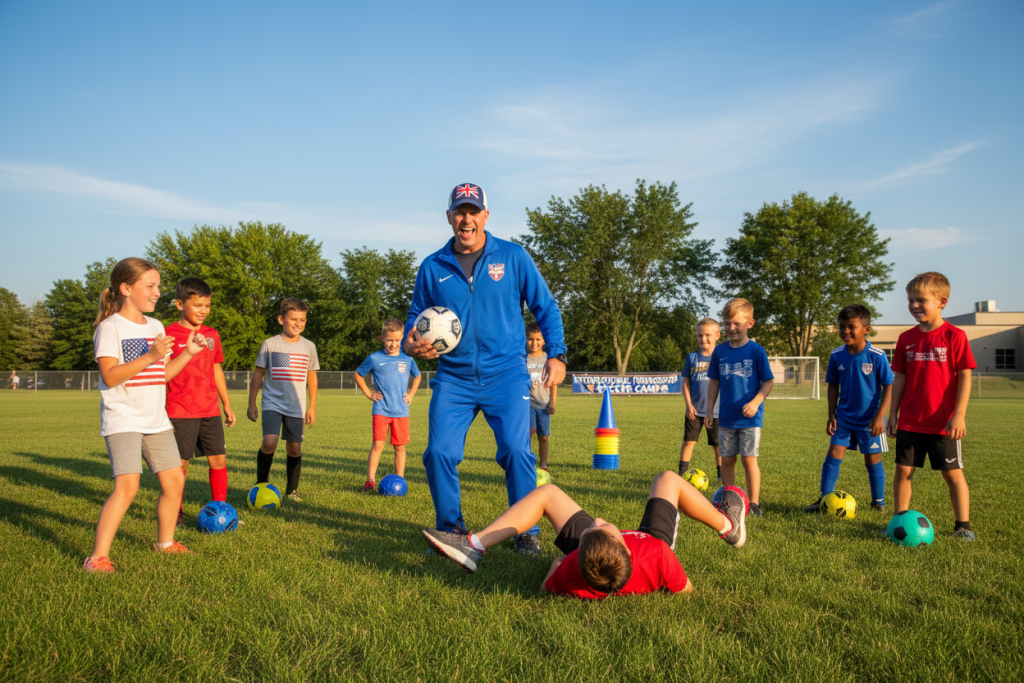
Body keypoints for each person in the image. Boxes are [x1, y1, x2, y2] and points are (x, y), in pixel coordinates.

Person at [404, 183, 567, 556]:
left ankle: (525, 531)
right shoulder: (432, 266)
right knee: (438, 453)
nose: (466, 219)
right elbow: (416, 318)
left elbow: (546, 306)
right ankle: (451, 529)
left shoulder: (512, 256)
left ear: (485, 216)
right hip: (454, 378)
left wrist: (556, 354)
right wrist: (413, 343)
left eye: (473, 211)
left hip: (506, 375)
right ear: (449, 218)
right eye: (459, 212)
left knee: (515, 450)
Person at [422, 471, 747, 598]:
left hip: (598, 554)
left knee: (547, 493)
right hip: (652, 541)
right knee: (668, 480)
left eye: (595, 525)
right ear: (626, 543)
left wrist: (563, 560)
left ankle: (474, 545)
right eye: (604, 525)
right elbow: (685, 590)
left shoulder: (574, 566)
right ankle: (728, 526)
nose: (600, 518)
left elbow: (548, 581)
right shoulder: (656, 553)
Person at [83, 257, 207, 573]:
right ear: (126, 288)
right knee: (127, 487)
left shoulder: (155, 326)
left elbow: (161, 374)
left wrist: (189, 354)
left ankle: (165, 543)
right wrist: (150, 353)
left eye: (158, 286)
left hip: (156, 420)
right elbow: (110, 376)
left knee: (175, 481)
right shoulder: (109, 328)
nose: (156, 293)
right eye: (150, 286)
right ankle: (97, 558)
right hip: (123, 418)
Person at [886, 272, 976, 540]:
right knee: (903, 471)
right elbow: (899, 377)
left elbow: (965, 377)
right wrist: (893, 413)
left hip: (943, 423)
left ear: (941, 302)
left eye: (921, 300)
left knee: (952, 474)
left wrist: (958, 415)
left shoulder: (955, 336)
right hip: (911, 420)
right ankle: (897, 523)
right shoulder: (905, 338)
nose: (914, 305)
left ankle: (963, 527)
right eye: (910, 300)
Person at [804, 305, 893, 513]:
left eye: (851, 327)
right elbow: (833, 385)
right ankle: (824, 499)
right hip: (843, 418)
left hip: (870, 420)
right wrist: (831, 415)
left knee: (872, 459)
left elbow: (889, 385)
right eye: (842, 327)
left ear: (866, 329)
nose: (845, 331)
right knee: (833, 454)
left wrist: (880, 416)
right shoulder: (836, 356)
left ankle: (878, 502)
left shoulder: (876, 355)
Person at [165, 277, 237, 527]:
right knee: (179, 466)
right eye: (197, 305)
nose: (203, 311)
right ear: (179, 304)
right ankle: (176, 513)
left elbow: (216, 369)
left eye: (207, 305)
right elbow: (161, 376)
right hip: (179, 410)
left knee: (218, 461)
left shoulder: (211, 335)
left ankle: (222, 510)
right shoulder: (167, 335)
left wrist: (226, 403)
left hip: (209, 410)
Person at [705, 298, 774, 518]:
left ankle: (754, 504)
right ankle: (729, 501)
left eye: (737, 323)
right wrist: (709, 410)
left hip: (750, 419)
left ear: (750, 323)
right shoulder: (719, 352)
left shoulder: (756, 351)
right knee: (727, 460)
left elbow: (768, 381)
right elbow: (714, 382)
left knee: (748, 460)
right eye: (727, 323)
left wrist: (756, 402)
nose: (731, 328)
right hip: (726, 417)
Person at [247, 298, 319, 502]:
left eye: (302, 319)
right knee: (269, 442)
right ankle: (261, 484)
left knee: (294, 448)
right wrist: (252, 402)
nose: (298, 323)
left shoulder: (309, 347)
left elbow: (312, 378)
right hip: (272, 403)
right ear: (281, 319)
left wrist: (312, 406)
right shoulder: (270, 344)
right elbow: (258, 375)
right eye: (293, 319)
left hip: (296, 406)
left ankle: (292, 491)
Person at [355, 318, 422, 491]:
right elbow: (358, 374)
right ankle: (370, 481)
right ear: (383, 338)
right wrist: (369, 394)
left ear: (401, 339)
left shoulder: (407, 359)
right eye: (389, 340)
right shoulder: (375, 358)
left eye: (397, 340)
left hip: (401, 411)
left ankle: (400, 481)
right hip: (381, 410)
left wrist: (411, 395)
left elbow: (418, 376)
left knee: (400, 447)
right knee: (378, 445)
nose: (393, 344)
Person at [679, 318, 722, 480]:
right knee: (688, 442)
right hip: (695, 410)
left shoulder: (721, 357)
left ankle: (721, 475)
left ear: (717, 335)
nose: (703, 339)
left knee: (718, 445)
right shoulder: (692, 358)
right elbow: (685, 382)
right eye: (699, 335)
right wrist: (689, 405)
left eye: (707, 335)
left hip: (717, 411)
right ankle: (682, 474)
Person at [526, 322, 557, 471]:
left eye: (538, 339)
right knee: (529, 434)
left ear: (544, 340)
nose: (534, 343)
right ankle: (529, 465)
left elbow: (553, 383)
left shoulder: (548, 359)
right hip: (528, 404)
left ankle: (543, 465)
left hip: (544, 404)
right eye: (530, 339)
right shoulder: (523, 359)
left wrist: (553, 402)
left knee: (543, 437)